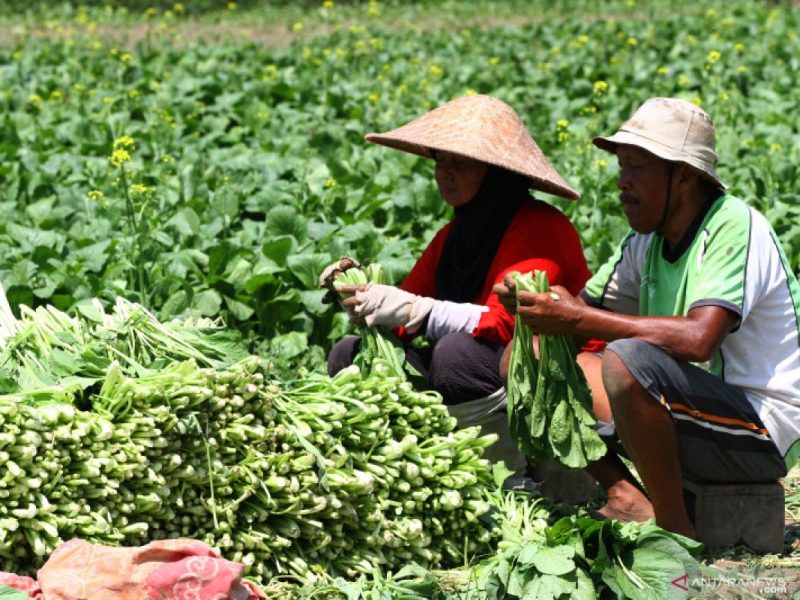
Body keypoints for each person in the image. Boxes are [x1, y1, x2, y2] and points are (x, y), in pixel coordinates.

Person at [495, 97, 800, 537]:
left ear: (685, 177)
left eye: (637, 168)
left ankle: (674, 531)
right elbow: (584, 311)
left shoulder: (734, 225)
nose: (623, 182)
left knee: (628, 360)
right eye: (622, 167)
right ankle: (626, 497)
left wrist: (574, 318)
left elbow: (700, 339)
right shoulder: (646, 240)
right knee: (530, 354)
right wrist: (539, 305)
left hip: (759, 430)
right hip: (690, 414)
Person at [322, 94, 601, 468]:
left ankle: (503, 468)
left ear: (496, 173)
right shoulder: (452, 238)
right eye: (441, 160)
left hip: (548, 375)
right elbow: (402, 319)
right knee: (348, 353)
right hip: (481, 366)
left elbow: (507, 324)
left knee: (456, 355)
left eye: (462, 163)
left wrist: (415, 310)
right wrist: (361, 295)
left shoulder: (541, 226)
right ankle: (383, 464)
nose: (445, 173)